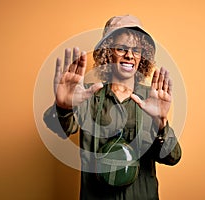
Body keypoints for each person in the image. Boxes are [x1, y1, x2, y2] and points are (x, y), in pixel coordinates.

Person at [44, 15, 181, 200]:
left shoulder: (152, 99)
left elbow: (172, 157)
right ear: (108, 53)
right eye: (121, 48)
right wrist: (64, 107)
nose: (130, 55)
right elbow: (60, 129)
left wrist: (162, 124)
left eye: (136, 50)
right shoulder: (87, 95)